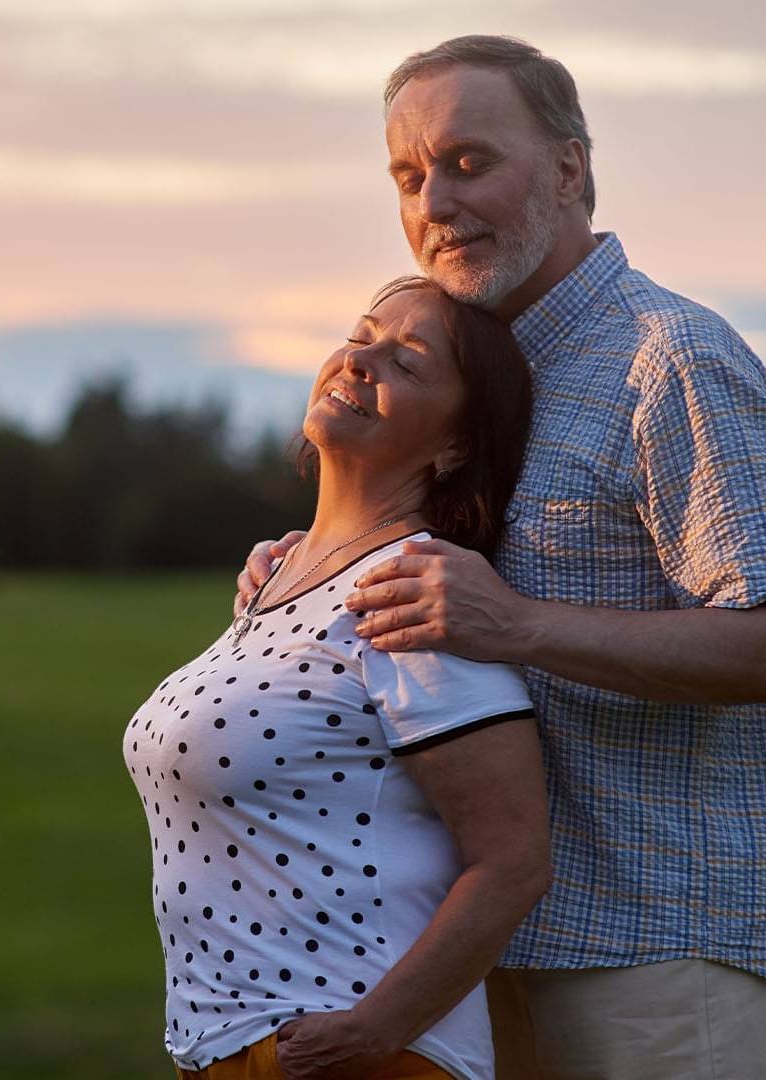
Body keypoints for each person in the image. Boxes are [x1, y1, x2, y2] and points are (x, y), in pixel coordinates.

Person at [236, 36, 766, 1080]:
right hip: (472, 963)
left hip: (658, 966)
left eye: (470, 162)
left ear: (568, 168)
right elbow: (444, 588)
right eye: (409, 176)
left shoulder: (671, 358)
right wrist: (311, 569)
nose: (436, 205)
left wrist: (521, 627)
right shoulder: (482, 379)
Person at [124, 276, 552, 1080]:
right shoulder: (283, 575)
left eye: (408, 361)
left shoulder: (415, 594)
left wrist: (368, 1032)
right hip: (233, 1050)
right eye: (361, 335)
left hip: (358, 1057)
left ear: (456, 444)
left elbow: (514, 859)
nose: (361, 360)